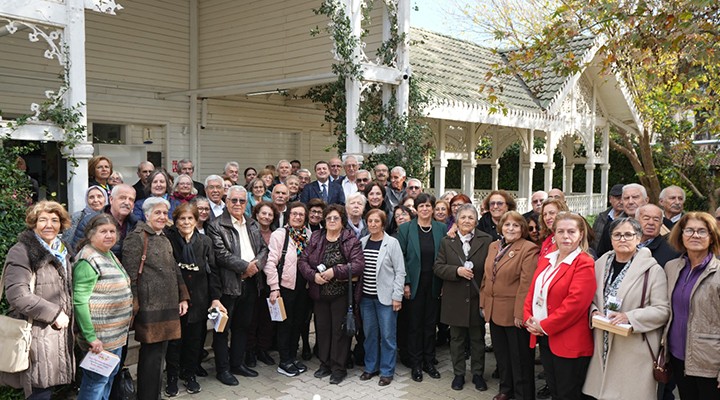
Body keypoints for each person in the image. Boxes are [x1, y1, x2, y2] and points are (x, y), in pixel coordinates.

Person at [583, 218, 670, 400]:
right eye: (617, 235)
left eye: (628, 235)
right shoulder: (600, 265)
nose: (622, 239)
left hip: (634, 348)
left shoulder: (652, 270)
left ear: (638, 238)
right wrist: (593, 312)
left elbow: (663, 310)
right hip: (602, 344)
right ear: (611, 238)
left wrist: (629, 317)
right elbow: (589, 298)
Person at [0, 201, 74, 399]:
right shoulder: (22, 251)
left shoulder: (62, 251)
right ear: (33, 223)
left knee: (46, 389)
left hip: (54, 335)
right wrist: (55, 313)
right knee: (38, 390)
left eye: (55, 220)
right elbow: (17, 295)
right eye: (43, 220)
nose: (49, 225)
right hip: (35, 334)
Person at [524, 212, 596, 400]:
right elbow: (532, 292)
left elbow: (575, 305)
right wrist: (528, 319)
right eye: (560, 231)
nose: (565, 236)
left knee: (568, 394)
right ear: (553, 234)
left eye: (571, 231)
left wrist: (544, 325)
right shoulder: (547, 258)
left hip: (569, 341)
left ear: (581, 234)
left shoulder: (584, 262)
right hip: (545, 338)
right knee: (555, 390)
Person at [122, 197, 189, 400]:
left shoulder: (163, 237)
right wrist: (134, 305)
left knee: (160, 355)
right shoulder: (137, 237)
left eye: (164, 213)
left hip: (168, 304)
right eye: (157, 213)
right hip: (149, 306)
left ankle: (154, 395)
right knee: (151, 356)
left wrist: (183, 297)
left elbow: (174, 270)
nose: (162, 217)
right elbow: (131, 276)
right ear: (147, 214)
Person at [205, 186, 268, 386]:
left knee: (242, 326)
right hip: (228, 286)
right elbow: (220, 254)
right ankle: (222, 369)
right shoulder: (216, 225)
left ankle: (237, 364)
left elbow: (264, 250)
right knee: (222, 330)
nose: (238, 204)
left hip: (251, 283)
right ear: (227, 201)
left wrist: (254, 266)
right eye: (234, 201)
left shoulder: (252, 223)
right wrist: (244, 267)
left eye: (242, 201)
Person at [298, 204, 365, 385]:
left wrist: (335, 271)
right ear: (324, 220)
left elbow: (358, 265)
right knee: (323, 331)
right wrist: (313, 276)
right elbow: (303, 260)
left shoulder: (350, 239)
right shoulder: (317, 237)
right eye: (329, 218)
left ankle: (338, 368)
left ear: (342, 221)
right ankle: (324, 364)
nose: (332, 221)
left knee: (339, 333)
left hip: (341, 295)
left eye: (336, 218)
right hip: (319, 293)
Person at [164, 203, 225, 396]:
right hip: (176, 299)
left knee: (194, 341)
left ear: (196, 220)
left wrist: (215, 298)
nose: (186, 222)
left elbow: (213, 271)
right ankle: (172, 377)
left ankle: (189, 374)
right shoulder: (169, 240)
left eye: (190, 218)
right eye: (182, 218)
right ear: (175, 221)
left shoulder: (205, 241)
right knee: (175, 342)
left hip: (199, 299)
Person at [73, 214, 133, 400]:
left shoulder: (107, 253)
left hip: (114, 334)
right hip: (99, 338)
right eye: (103, 231)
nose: (109, 235)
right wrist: (91, 337)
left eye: (112, 231)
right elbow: (80, 301)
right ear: (91, 235)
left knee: (107, 377)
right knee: (96, 382)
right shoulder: (88, 259)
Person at [481, 211, 539, 400]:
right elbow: (486, 276)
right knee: (502, 356)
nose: (511, 229)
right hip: (494, 309)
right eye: (507, 225)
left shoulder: (529, 248)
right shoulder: (494, 246)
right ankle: (506, 389)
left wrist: (520, 313)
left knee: (520, 358)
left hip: (514, 313)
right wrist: (484, 302)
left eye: (515, 225)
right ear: (501, 227)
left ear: (522, 229)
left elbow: (526, 284)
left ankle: (523, 394)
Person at [434, 204, 492, 391]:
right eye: (463, 217)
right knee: (457, 339)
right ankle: (458, 374)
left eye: (470, 217)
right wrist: (456, 270)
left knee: (477, 339)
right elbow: (438, 267)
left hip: (476, 297)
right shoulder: (446, 241)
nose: (466, 220)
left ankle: (477, 374)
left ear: (476, 221)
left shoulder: (487, 240)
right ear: (456, 221)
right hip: (455, 298)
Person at [664, 212, 720, 399]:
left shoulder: (718, 272)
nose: (695, 235)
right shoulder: (672, 267)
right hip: (678, 357)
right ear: (681, 235)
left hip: (709, 362)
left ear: (712, 237)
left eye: (702, 231)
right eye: (689, 230)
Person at [397, 193, 448, 382]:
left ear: (433, 208)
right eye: (421, 206)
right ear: (416, 209)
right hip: (414, 286)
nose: (425, 209)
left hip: (434, 284)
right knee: (414, 326)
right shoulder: (406, 229)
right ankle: (416, 364)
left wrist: (443, 284)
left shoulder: (441, 228)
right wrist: (406, 282)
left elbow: (445, 256)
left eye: (428, 206)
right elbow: (400, 257)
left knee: (430, 325)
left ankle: (429, 362)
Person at [264, 202, 312, 377]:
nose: (298, 217)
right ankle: (284, 361)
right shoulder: (280, 234)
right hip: (284, 286)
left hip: (303, 286)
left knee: (298, 323)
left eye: (301, 214)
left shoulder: (308, 234)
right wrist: (274, 288)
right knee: (285, 324)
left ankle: (292, 357)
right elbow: (270, 263)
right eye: (295, 214)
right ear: (289, 216)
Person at [359, 209, 406, 386]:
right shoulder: (362, 242)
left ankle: (387, 371)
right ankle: (371, 367)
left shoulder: (392, 243)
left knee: (387, 336)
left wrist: (397, 297)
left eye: (376, 221)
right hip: (366, 298)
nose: (372, 224)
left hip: (386, 299)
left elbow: (400, 271)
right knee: (370, 335)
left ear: (383, 223)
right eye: (369, 221)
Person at [245, 201, 277, 369]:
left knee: (267, 318)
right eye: (263, 213)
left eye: (270, 214)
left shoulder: (275, 234)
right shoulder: (249, 231)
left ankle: (262, 350)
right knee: (252, 318)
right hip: (253, 279)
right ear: (256, 214)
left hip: (270, 281)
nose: (266, 217)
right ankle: (249, 351)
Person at [72, 184, 139, 261]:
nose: (127, 202)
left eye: (131, 199)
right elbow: (77, 252)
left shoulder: (136, 225)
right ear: (111, 200)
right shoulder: (90, 221)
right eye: (122, 198)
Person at [591, 184, 623, 249]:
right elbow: (592, 239)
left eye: (624, 198)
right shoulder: (601, 217)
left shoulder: (629, 219)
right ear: (610, 199)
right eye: (618, 198)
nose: (621, 202)